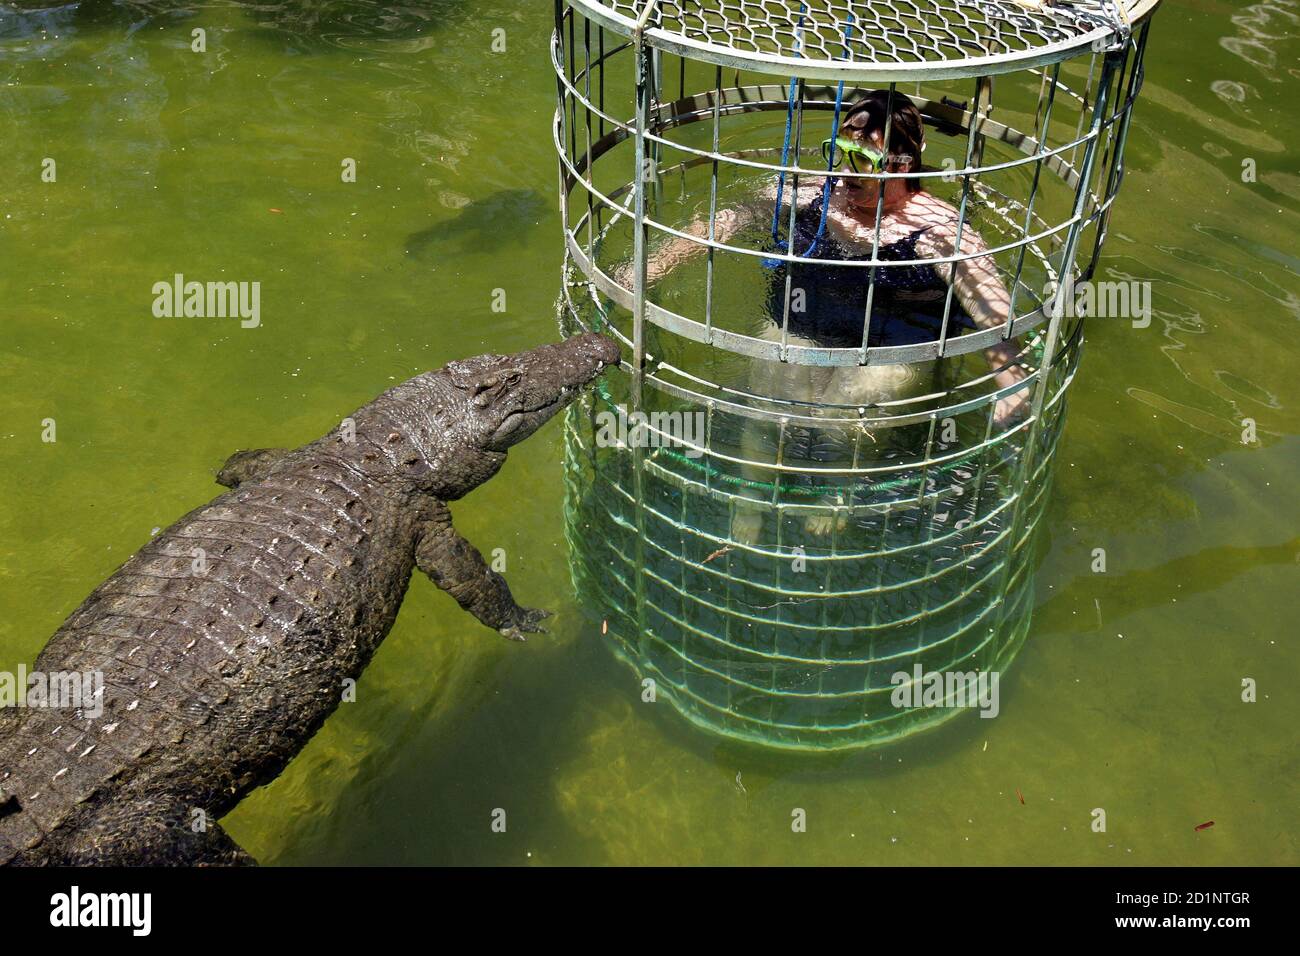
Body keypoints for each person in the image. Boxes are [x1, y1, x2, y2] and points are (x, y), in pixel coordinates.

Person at [631, 91, 1032, 541]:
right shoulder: (821, 195)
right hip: (805, 321)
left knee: (843, 413)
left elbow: (988, 303)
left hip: (892, 342)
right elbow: (734, 215)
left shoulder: (939, 230)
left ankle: (835, 488)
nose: (844, 172)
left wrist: (1009, 378)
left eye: (860, 159)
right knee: (768, 401)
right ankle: (752, 494)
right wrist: (655, 264)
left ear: (900, 164)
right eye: (839, 153)